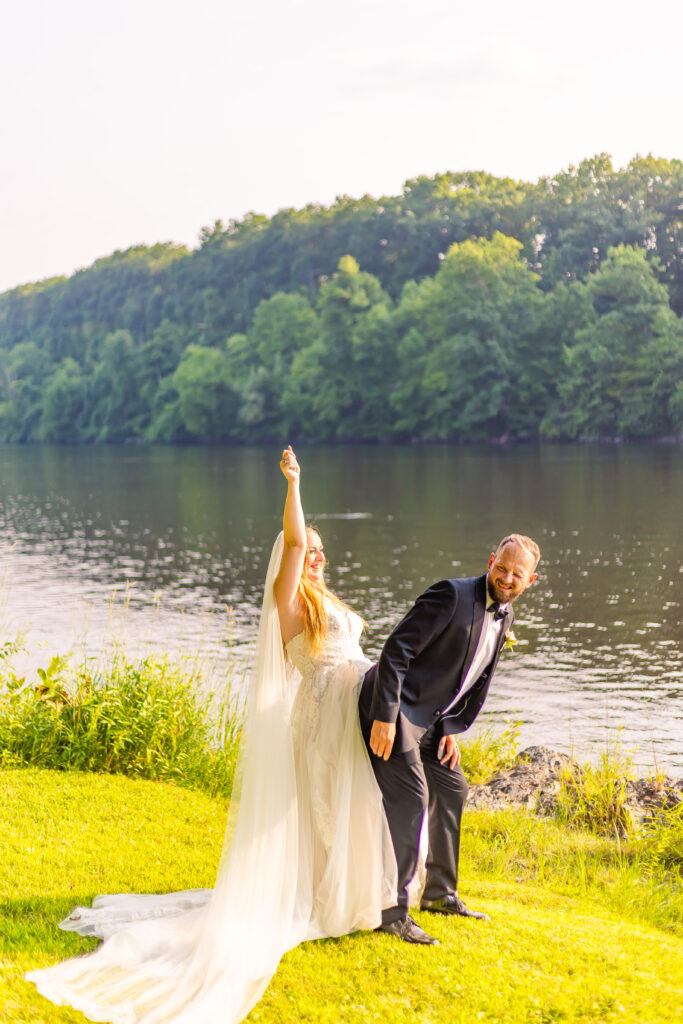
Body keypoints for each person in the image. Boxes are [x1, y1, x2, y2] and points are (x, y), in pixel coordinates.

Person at [26, 446, 396, 1024]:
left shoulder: (326, 600)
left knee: (343, 805)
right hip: (323, 713)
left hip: (347, 708)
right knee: (326, 806)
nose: (316, 558)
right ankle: (322, 900)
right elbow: (294, 543)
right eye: (310, 552)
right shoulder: (289, 599)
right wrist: (295, 486)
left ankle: (342, 894)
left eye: (322, 552)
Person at [359, 533, 539, 945]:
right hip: (393, 708)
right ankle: (393, 911)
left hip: (429, 720)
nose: (507, 577)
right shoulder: (452, 596)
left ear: (531, 580)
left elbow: (463, 678)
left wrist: (450, 727)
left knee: (453, 788)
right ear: (491, 559)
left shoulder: (504, 615)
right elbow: (396, 651)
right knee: (412, 797)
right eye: (502, 567)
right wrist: (385, 717)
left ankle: (440, 894)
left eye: (517, 573)